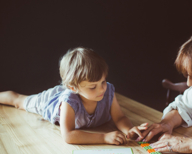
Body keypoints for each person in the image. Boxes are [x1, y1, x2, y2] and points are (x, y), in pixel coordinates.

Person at [0, 47, 147, 145]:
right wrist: (103, 137)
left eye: (103, 81)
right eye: (93, 86)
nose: (102, 88)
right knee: (18, 101)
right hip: (51, 100)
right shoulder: (69, 101)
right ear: (73, 88)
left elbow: (120, 117)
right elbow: (68, 135)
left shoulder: (107, 90)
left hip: (70, 90)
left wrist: (129, 130)